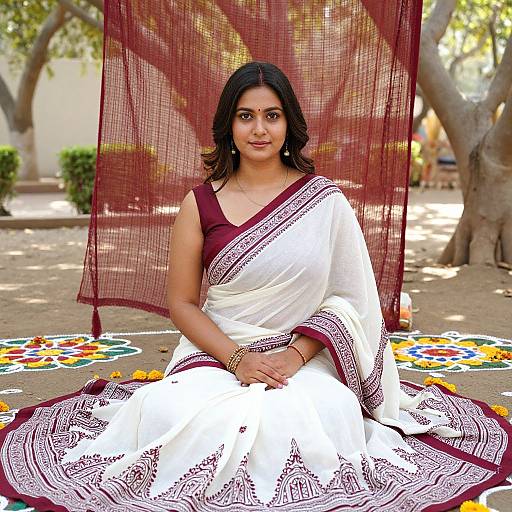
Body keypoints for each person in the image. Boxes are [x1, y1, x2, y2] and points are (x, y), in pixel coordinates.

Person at [1, 61, 511, 512]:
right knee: (167, 411)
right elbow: (180, 304)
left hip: (305, 354)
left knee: (319, 415)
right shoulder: (199, 203)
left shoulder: (325, 202)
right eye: (246, 115)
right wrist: (237, 359)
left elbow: (354, 300)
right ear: (229, 125)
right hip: (217, 350)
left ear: (289, 123)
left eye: (272, 115)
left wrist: (295, 354)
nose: (259, 128)